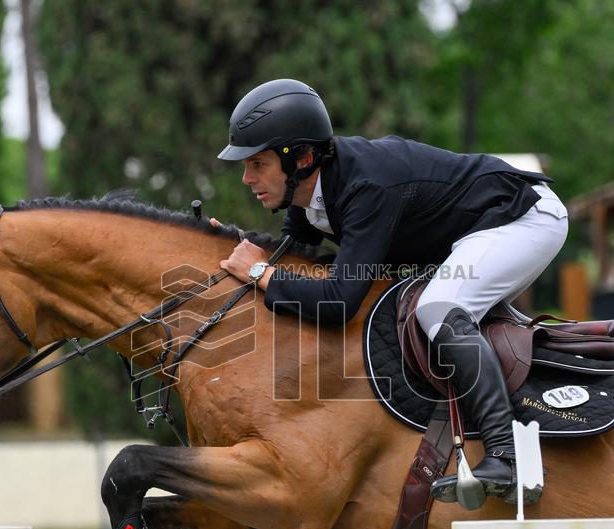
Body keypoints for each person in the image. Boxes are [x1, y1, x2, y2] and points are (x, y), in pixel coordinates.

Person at [211, 79, 569, 507]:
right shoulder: (309, 193)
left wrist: (256, 271)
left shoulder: (366, 187)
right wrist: (230, 247)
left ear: (302, 158)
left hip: (523, 218)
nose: (246, 178)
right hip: (477, 229)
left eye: (257, 164)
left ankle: (506, 455)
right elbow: (292, 258)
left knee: (440, 307)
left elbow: (339, 301)